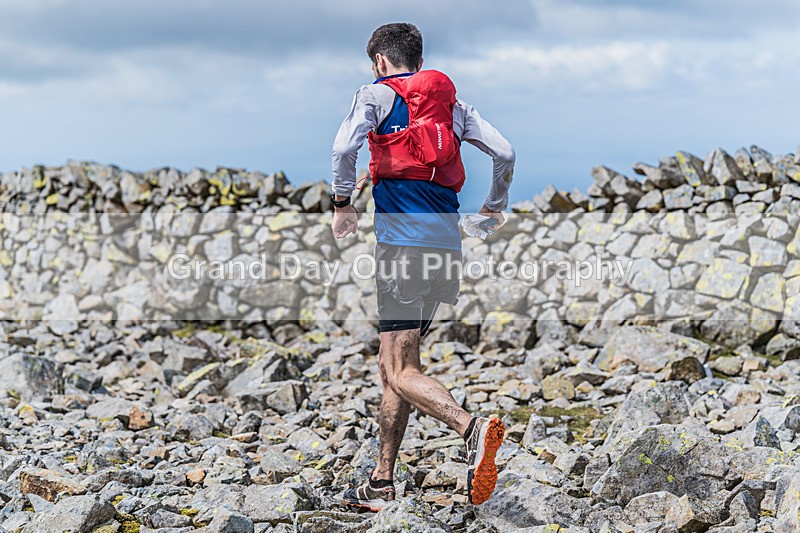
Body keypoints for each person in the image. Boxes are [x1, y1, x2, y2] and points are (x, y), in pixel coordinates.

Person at [329, 22, 515, 510]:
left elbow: (343, 147)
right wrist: (494, 205)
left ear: (381, 62)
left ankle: (471, 429)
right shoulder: (451, 105)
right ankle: (381, 481)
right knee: (394, 364)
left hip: (400, 247)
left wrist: (342, 203)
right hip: (445, 248)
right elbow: (505, 151)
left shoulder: (374, 95)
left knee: (400, 367)